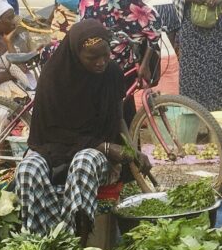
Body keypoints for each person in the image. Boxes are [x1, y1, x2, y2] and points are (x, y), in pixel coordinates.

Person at [16, 20, 146, 238]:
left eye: (105, 55)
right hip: (52, 151)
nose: (101, 62)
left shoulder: (111, 74)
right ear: (76, 54)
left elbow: (118, 117)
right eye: (92, 58)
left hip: (95, 161)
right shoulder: (54, 77)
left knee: (84, 161)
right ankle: (41, 241)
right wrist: (104, 146)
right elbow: (48, 132)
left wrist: (132, 150)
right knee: (28, 170)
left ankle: (75, 242)